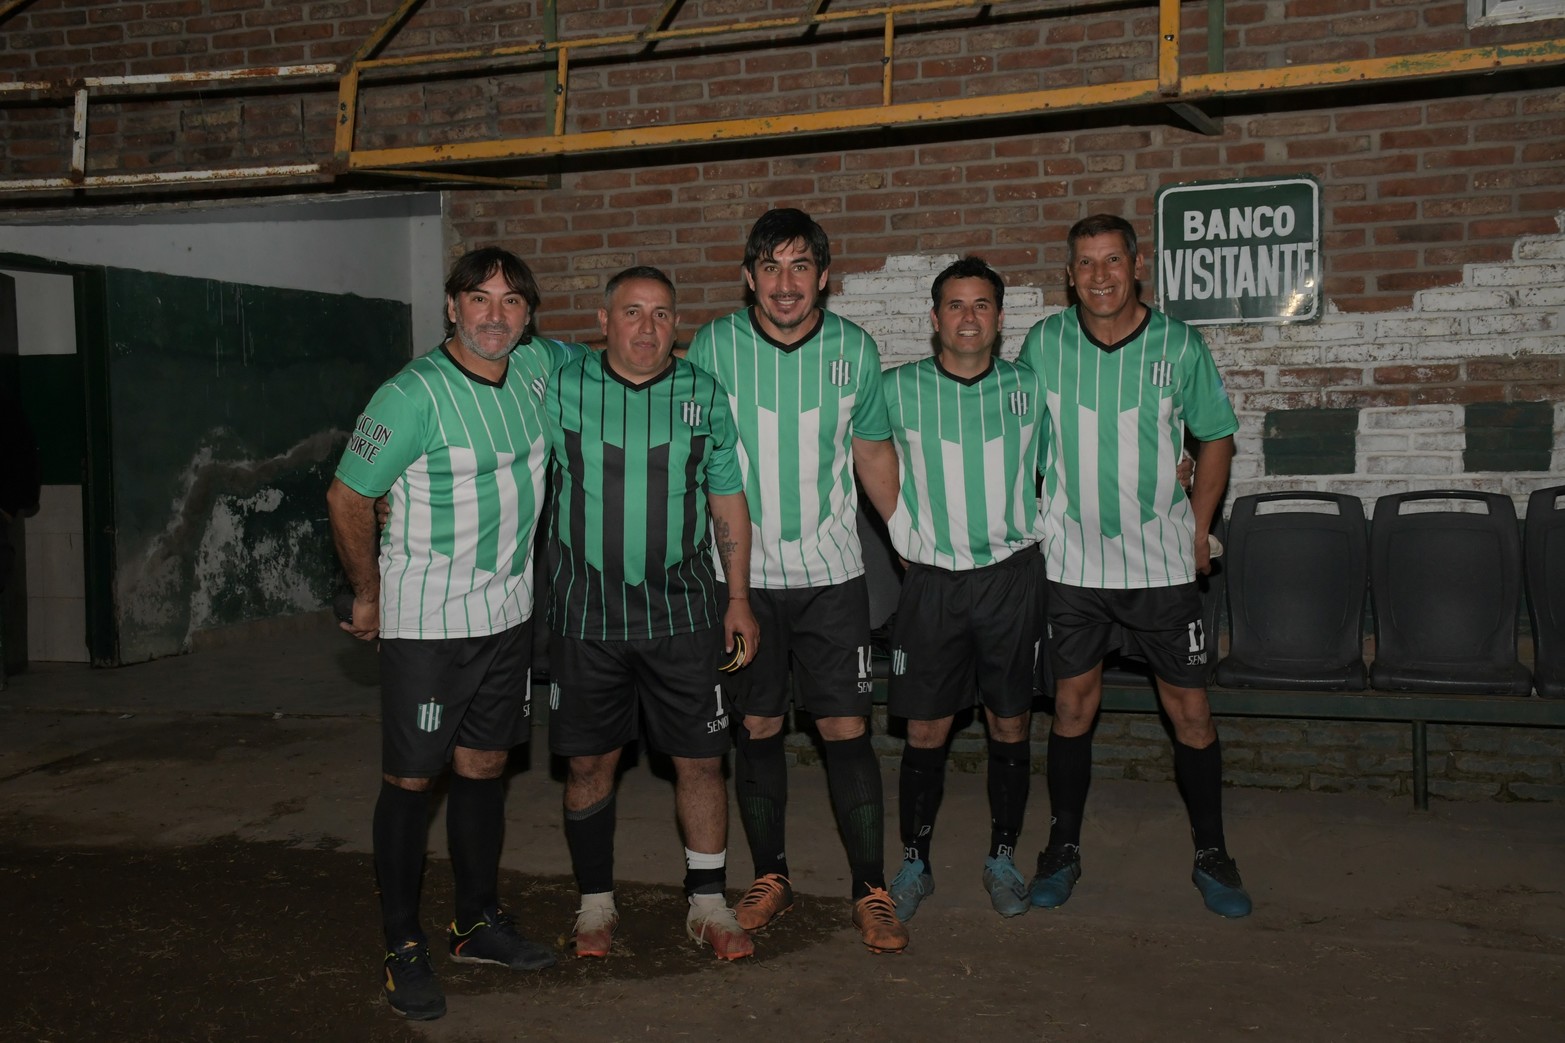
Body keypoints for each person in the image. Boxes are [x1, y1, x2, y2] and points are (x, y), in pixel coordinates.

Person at [327, 247, 579, 1021]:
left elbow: (623, 353)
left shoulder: (538, 368)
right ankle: (402, 944)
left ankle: (476, 922)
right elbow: (347, 495)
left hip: (508, 615)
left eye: (511, 301)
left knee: (484, 767)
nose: (495, 315)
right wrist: (368, 593)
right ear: (451, 306)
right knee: (411, 781)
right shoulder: (411, 395)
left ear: (529, 315)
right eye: (479, 298)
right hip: (429, 620)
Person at [685, 208, 909, 953]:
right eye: (771, 268)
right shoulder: (714, 345)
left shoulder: (853, 348)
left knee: (846, 728)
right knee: (757, 728)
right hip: (740, 584)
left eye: (801, 267)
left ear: (823, 277)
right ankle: (770, 874)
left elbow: (872, 453)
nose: (786, 284)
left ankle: (871, 889)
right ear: (749, 275)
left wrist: (908, 545)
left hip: (830, 580)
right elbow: (689, 455)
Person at [1016, 213, 1251, 918]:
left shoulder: (1177, 343)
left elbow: (1215, 439)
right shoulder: (1043, 342)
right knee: (1070, 707)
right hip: (1072, 563)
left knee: (1191, 711)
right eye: (1084, 263)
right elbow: (1016, 430)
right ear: (1067, 274)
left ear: (1136, 264)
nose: (1099, 276)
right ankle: (1061, 847)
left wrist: (1199, 530)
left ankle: (1211, 852)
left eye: (1111, 260)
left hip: (1159, 565)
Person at [544, 265, 760, 962]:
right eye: (631, 312)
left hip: (684, 616)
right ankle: (595, 904)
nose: (647, 327)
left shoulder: (704, 393)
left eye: (662, 314)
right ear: (603, 322)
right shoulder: (561, 389)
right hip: (586, 616)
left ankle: (707, 903)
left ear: (678, 325)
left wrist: (736, 597)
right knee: (587, 763)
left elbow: (726, 499)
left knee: (700, 761)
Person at [877, 257, 1049, 921]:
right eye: (955, 304)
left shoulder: (1031, 389)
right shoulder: (895, 390)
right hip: (931, 583)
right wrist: (900, 537)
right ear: (933, 318)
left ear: (1000, 320)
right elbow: (850, 457)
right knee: (925, 727)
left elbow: (1080, 462)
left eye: (981, 305)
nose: (968, 317)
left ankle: (1001, 856)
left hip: (1011, 578)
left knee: (1009, 720)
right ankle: (914, 861)